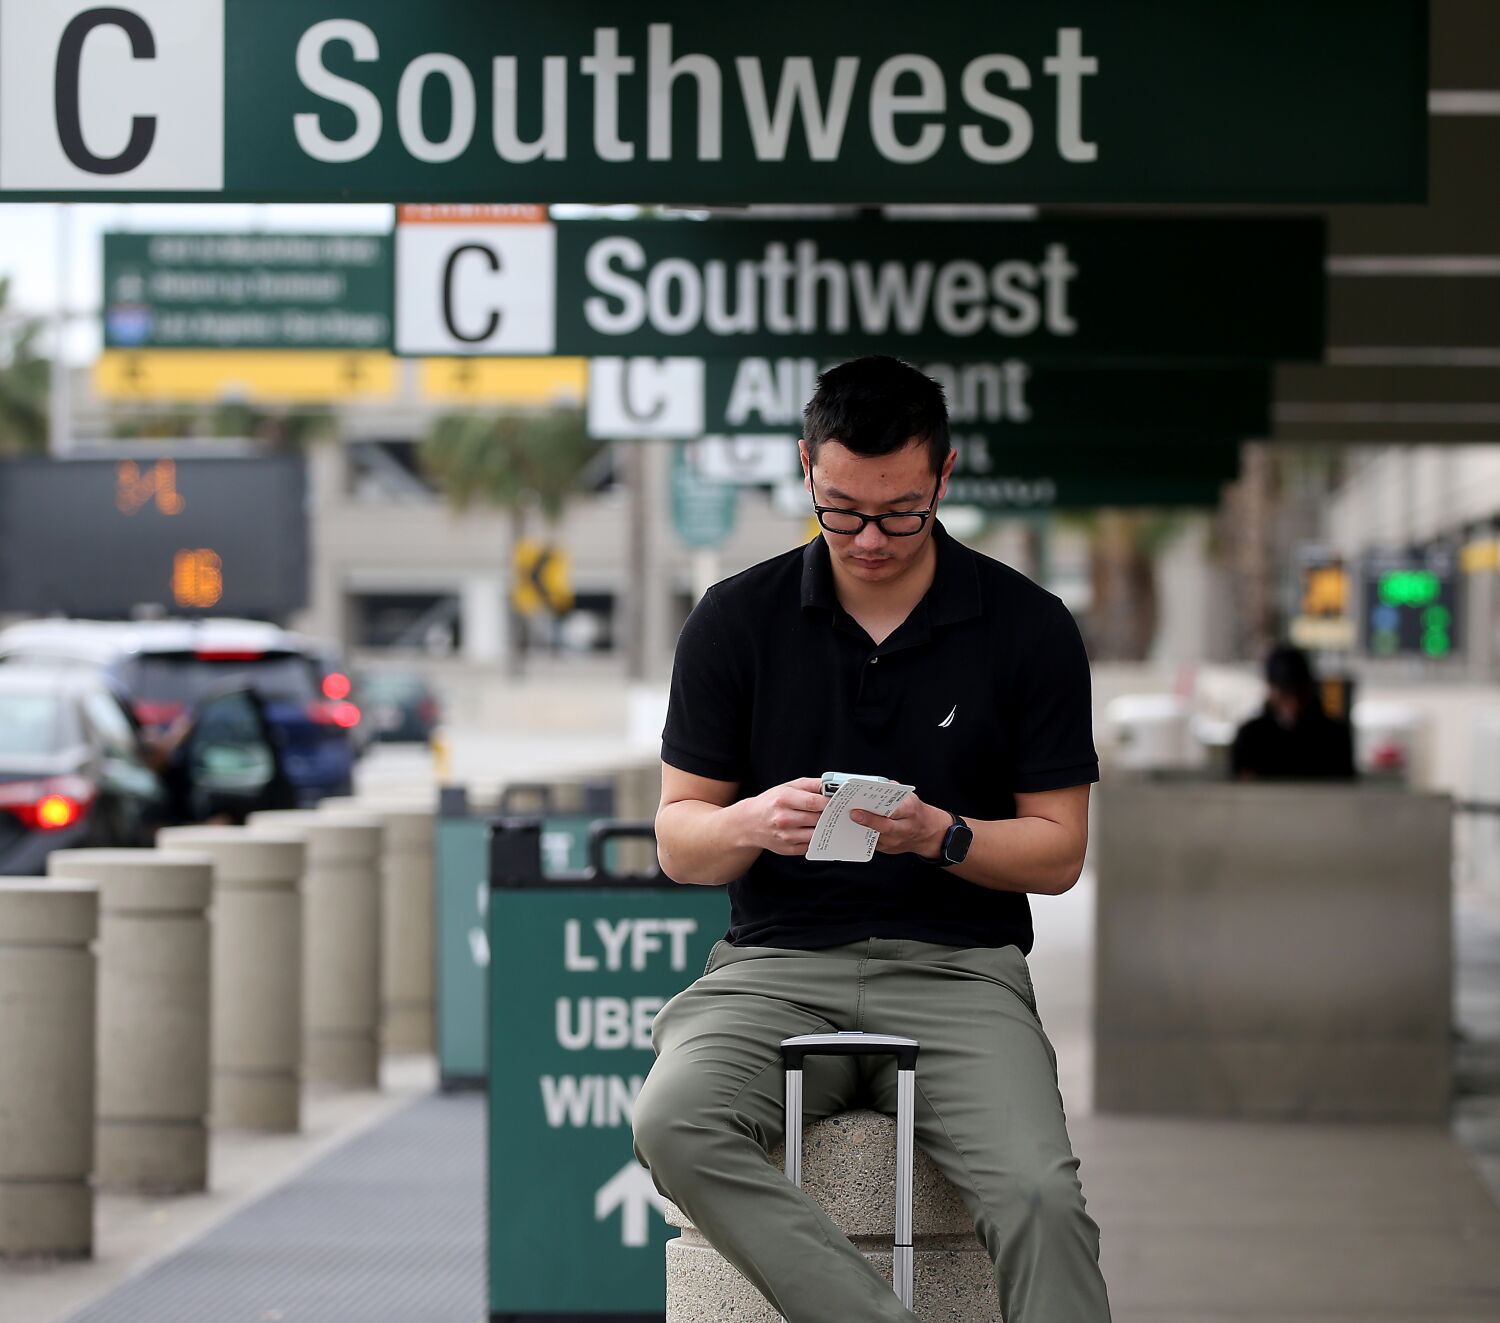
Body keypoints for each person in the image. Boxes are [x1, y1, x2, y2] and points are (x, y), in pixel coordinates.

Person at [632, 355, 1112, 1323]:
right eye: (841, 509)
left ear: (944, 476)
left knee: (1041, 1198)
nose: (869, 538)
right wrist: (753, 821)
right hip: (771, 967)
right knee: (672, 1123)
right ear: (806, 466)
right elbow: (680, 842)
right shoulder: (736, 619)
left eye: (900, 512)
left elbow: (1059, 853)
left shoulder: (1027, 625)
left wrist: (943, 835)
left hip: (959, 970)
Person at [1230, 644, 1355, 780]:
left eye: (1299, 692)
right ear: (1271, 691)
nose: (1294, 702)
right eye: (1285, 693)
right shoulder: (1250, 737)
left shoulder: (1335, 738)